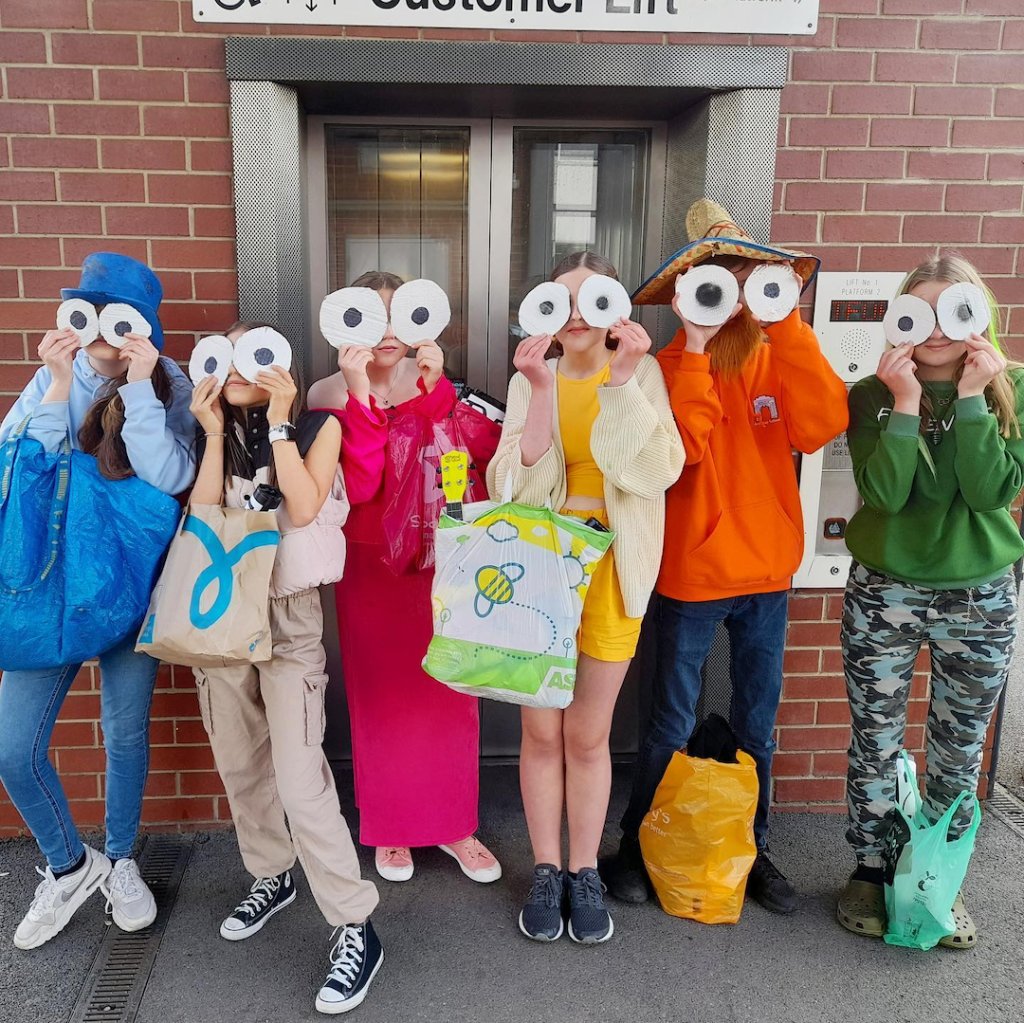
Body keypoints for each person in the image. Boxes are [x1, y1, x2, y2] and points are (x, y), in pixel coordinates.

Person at [604, 199, 849, 915]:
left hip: (768, 573)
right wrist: (700, 350)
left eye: (745, 276)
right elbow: (684, 455)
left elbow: (824, 424)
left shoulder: (781, 354)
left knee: (758, 720)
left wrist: (789, 322)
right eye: (716, 278)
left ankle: (752, 844)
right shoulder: (671, 363)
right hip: (691, 574)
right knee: (671, 719)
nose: (732, 291)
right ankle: (638, 842)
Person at [0, 253, 195, 949]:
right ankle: (69, 866)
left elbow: (170, 475)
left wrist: (140, 387)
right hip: (50, 585)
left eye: (121, 325)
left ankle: (119, 860)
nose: (103, 342)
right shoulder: (53, 378)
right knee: (13, 747)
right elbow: (21, 466)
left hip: (130, 587)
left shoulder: (169, 388)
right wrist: (58, 385)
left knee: (125, 734)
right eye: (91, 320)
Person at [489, 251, 685, 944]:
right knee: (541, 731)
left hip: (612, 572)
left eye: (591, 299)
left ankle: (583, 869)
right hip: (540, 571)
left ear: (614, 308)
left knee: (588, 732)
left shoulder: (643, 373)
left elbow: (657, 469)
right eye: (560, 299)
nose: (575, 313)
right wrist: (539, 389)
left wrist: (623, 382)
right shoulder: (529, 379)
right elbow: (509, 483)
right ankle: (547, 868)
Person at [189, 321, 383, 1014]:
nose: (237, 366)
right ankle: (273, 873)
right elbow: (202, 514)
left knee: (303, 781)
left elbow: (302, 509)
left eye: (253, 353)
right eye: (224, 353)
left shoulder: (317, 428)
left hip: (290, 616)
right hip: (220, 615)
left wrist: (276, 422)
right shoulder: (206, 432)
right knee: (241, 759)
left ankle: (355, 923)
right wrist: (212, 430)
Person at [836, 254, 1023, 948]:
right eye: (921, 310)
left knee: (958, 746)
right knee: (876, 739)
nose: (938, 327)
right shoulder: (871, 395)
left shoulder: (1016, 391)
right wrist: (907, 402)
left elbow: (990, 493)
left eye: (957, 310)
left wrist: (974, 398)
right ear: (901, 314)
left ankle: (938, 875)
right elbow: (883, 494)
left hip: (980, 597)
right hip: (885, 590)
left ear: (980, 317)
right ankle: (873, 865)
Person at [307, 271, 501, 886]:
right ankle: (390, 826)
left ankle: (454, 824)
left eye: (400, 315)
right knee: (380, 693)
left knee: (450, 686)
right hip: (366, 559)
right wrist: (362, 388)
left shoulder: (436, 380)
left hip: (439, 554)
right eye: (372, 314)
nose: (388, 330)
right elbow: (359, 485)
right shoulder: (325, 392)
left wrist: (435, 386)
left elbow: (458, 463)